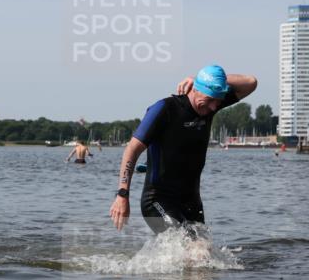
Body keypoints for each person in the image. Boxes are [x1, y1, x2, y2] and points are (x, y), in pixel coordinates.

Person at [109, 64, 258, 234]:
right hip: (157, 200)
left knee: (202, 248)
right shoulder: (165, 109)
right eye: (210, 100)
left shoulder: (209, 106)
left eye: (218, 101)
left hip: (191, 200)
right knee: (188, 244)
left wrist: (203, 79)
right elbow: (132, 150)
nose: (213, 107)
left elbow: (250, 82)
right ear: (195, 89)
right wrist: (122, 194)